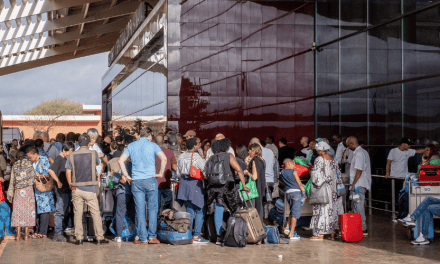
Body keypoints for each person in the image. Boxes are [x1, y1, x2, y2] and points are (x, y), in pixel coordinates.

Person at [119, 128, 167, 245]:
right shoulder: (153, 145)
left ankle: (142, 238)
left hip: (136, 181)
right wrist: (160, 173)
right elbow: (164, 158)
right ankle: (152, 237)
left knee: (139, 210)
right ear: (149, 135)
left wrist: (127, 176)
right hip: (150, 179)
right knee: (152, 209)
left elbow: (121, 161)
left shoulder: (131, 146)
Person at [66, 133, 109, 245]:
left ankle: (79, 238)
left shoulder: (72, 155)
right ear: (89, 142)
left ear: (78, 143)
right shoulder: (93, 153)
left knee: (78, 214)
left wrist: (71, 184)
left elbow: (68, 171)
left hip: (77, 188)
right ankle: (99, 237)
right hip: (90, 188)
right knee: (95, 213)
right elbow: (98, 163)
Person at [206, 138, 248, 245]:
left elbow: (207, 174)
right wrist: (243, 185)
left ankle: (219, 237)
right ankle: (235, 233)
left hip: (214, 188)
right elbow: (239, 170)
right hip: (228, 186)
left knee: (218, 209)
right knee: (235, 208)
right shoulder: (228, 156)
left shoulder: (211, 158)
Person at [175, 138, 209, 244]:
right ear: (194, 146)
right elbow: (205, 169)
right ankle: (196, 236)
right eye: (198, 144)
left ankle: (188, 234)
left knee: (189, 210)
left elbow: (178, 173)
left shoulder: (181, 156)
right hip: (195, 184)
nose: (199, 145)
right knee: (200, 210)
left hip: (184, 184)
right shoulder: (196, 157)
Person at [309, 141, 340, 240]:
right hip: (333, 189)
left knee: (321, 210)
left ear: (320, 150)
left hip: (323, 189)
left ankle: (320, 234)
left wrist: (311, 172)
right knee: (332, 210)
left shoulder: (319, 159)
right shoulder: (333, 159)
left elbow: (316, 176)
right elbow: (337, 174)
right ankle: (332, 233)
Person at [26, 147, 55, 239]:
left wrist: (36, 175)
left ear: (35, 154)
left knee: (44, 210)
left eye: (30, 157)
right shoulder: (32, 162)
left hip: (44, 189)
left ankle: (43, 232)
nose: (29, 159)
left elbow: (46, 173)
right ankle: (38, 230)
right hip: (36, 189)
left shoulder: (43, 160)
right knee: (38, 210)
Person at [7, 147, 36, 241]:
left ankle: (18, 235)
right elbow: (33, 178)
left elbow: (12, 180)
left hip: (18, 191)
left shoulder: (15, 165)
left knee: (18, 212)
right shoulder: (29, 164)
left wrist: (10, 193)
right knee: (28, 212)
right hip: (28, 191)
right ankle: (26, 235)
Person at [48, 142, 75, 242]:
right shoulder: (59, 159)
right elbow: (50, 170)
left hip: (66, 189)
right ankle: (57, 234)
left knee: (64, 211)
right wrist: (58, 181)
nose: (70, 155)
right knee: (60, 212)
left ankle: (61, 232)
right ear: (64, 150)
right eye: (69, 152)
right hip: (61, 190)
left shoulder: (65, 159)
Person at [346, 136, 371, 236]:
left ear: (352, 144)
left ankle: (363, 228)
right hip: (359, 183)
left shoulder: (360, 153)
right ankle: (358, 226)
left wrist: (353, 183)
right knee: (356, 206)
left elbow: (359, 170)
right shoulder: (361, 152)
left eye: (348, 146)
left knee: (359, 206)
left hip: (359, 184)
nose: (348, 148)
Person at [250, 137, 277, 222]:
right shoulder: (270, 152)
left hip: (262, 181)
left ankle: (262, 222)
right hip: (270, 180)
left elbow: (255, 175)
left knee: (260, 204)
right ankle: (266, 221)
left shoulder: (256, 158)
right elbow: (273, 165)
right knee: (267, 203)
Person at [280, 159, 305, 240]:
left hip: (288, 193)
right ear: (289, 163)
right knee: (295, 214)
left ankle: (287, 227)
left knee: (292, 210)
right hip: (296, 193)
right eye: (293, 164)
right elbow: (299, 183)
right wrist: (304, 193)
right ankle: (291, 234)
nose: (294, 166)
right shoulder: (293, 171)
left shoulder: (282, 172)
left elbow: (282, 182)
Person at [107, 150, 127, 243]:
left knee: (118, 212)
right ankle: (131, 233)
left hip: (118, 191)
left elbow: (109, 177)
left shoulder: (110, 162)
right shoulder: (128, 163)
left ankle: (118, 235)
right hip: (129, 191)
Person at [155, 135, 177, 211]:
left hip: (155, 183)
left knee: (155, 207)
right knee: (167, 207)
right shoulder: (170, 152)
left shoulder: (152, 153)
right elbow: (174, 167)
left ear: (154, 142)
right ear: (163, 142)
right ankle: (164, 222)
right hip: (166, 183)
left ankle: (156, 222)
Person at [247, 143, 266, 223]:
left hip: (256, 186)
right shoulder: (262, 160)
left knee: (256, 207)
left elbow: (254, 177)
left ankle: (256, 227)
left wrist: (246, 173)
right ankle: (260, 226)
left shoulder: (254, 161)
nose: (248, 152)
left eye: (250, 150)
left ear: (253, 151)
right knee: (260, 206)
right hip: (262, 185)